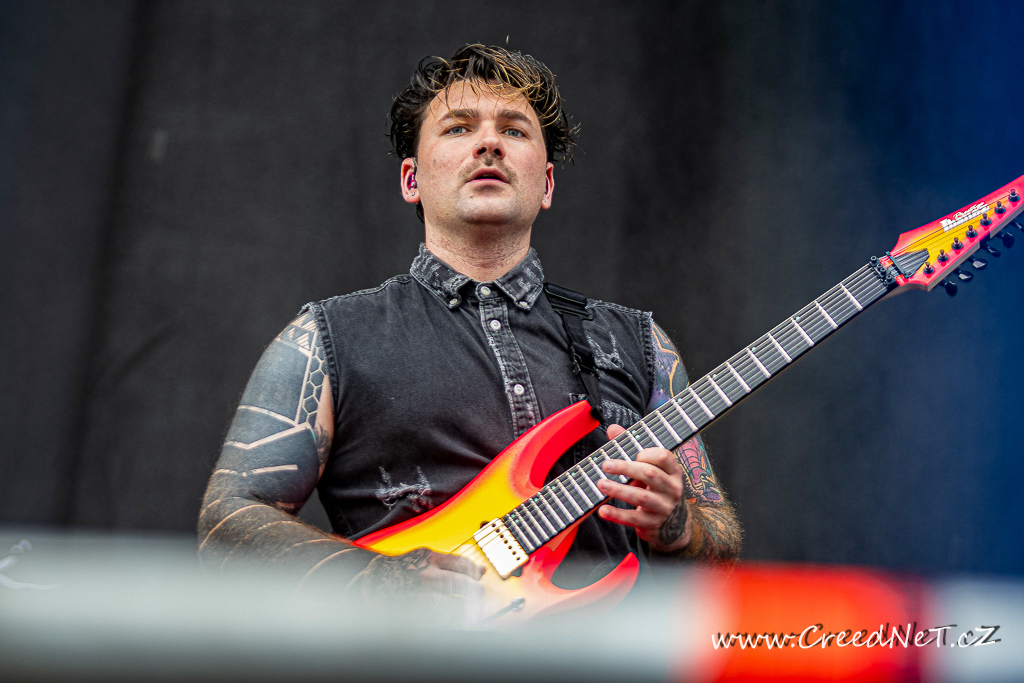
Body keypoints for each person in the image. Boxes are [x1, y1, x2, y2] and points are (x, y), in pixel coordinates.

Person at [197, 44, 741, 613]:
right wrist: (381, 579)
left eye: (514, 130)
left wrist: (677, 525)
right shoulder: (328, 337)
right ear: (411, 179)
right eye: (458, 128)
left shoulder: (637, 343)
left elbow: (719, 551)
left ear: (547, 185)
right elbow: (227, 520)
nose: (489, 144)